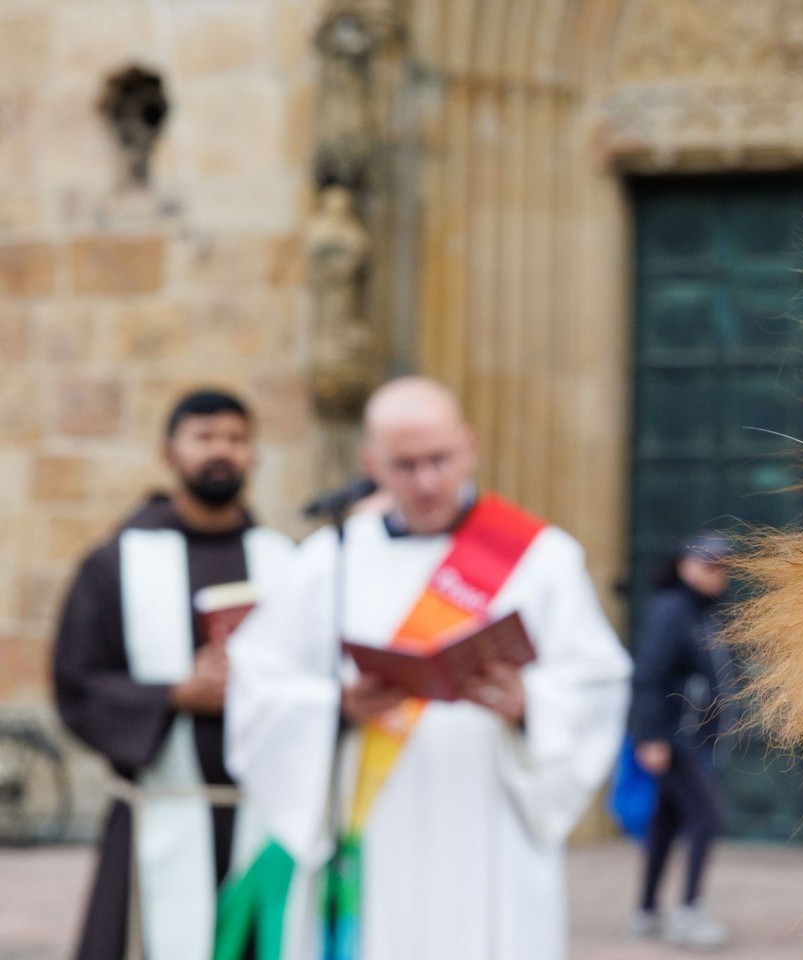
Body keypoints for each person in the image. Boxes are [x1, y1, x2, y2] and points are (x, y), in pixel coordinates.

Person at [224, 376, 631, 960]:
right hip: (373, 827)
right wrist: (337, 704)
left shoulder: (541, 560)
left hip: (490, 823)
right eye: (405, 465)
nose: (427, 481)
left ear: (468, 447)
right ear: (372, 464)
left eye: (440, 459)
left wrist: (529, 704)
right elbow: (259, 683)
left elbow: (597, 685)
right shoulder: (328, 561)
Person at [51, 389, 294, 960]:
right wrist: (177, 694)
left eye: (236, 440)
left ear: (253, 454)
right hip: (159, 808)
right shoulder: (115, 562)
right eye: (205, 438)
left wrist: (256, 687)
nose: (222, 452)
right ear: (170, 453)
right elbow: (77, 680)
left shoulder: (286, 561)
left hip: (263, 814)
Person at [628, 532, 734, 949]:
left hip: (693, 739)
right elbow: (650, 675)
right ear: (684, 566)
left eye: (721, 566)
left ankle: (646, 911)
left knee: (666, 821)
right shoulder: (673, 610)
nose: (716, 573)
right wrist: (651, 736)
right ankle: (689, 911)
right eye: (708, 564)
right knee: (706, 818)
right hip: (676, 738)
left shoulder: (703, 613)